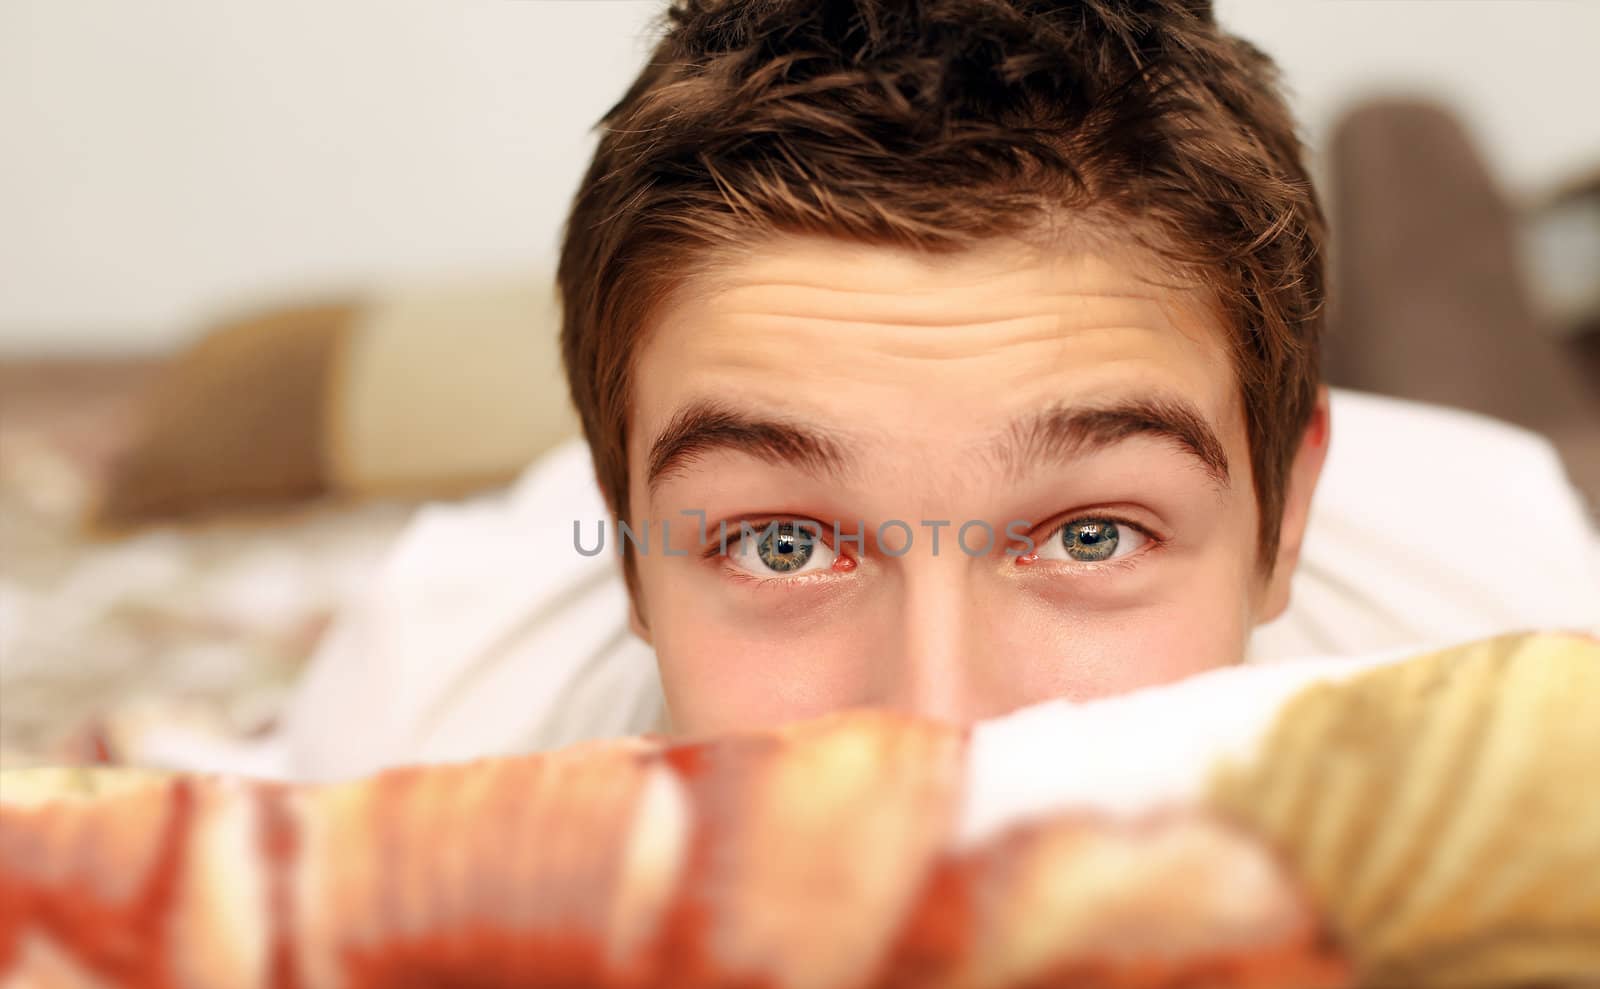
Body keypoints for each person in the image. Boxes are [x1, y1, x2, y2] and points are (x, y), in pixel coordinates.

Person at [278, 0, 1600, 779]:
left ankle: (1410, 142)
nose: (937, 728)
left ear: (1284, 525)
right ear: (625, 560)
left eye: (1092, 533)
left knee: (1443, 280)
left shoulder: (1515, 609)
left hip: (1486, 447)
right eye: (782, 542)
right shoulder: (428, 703)